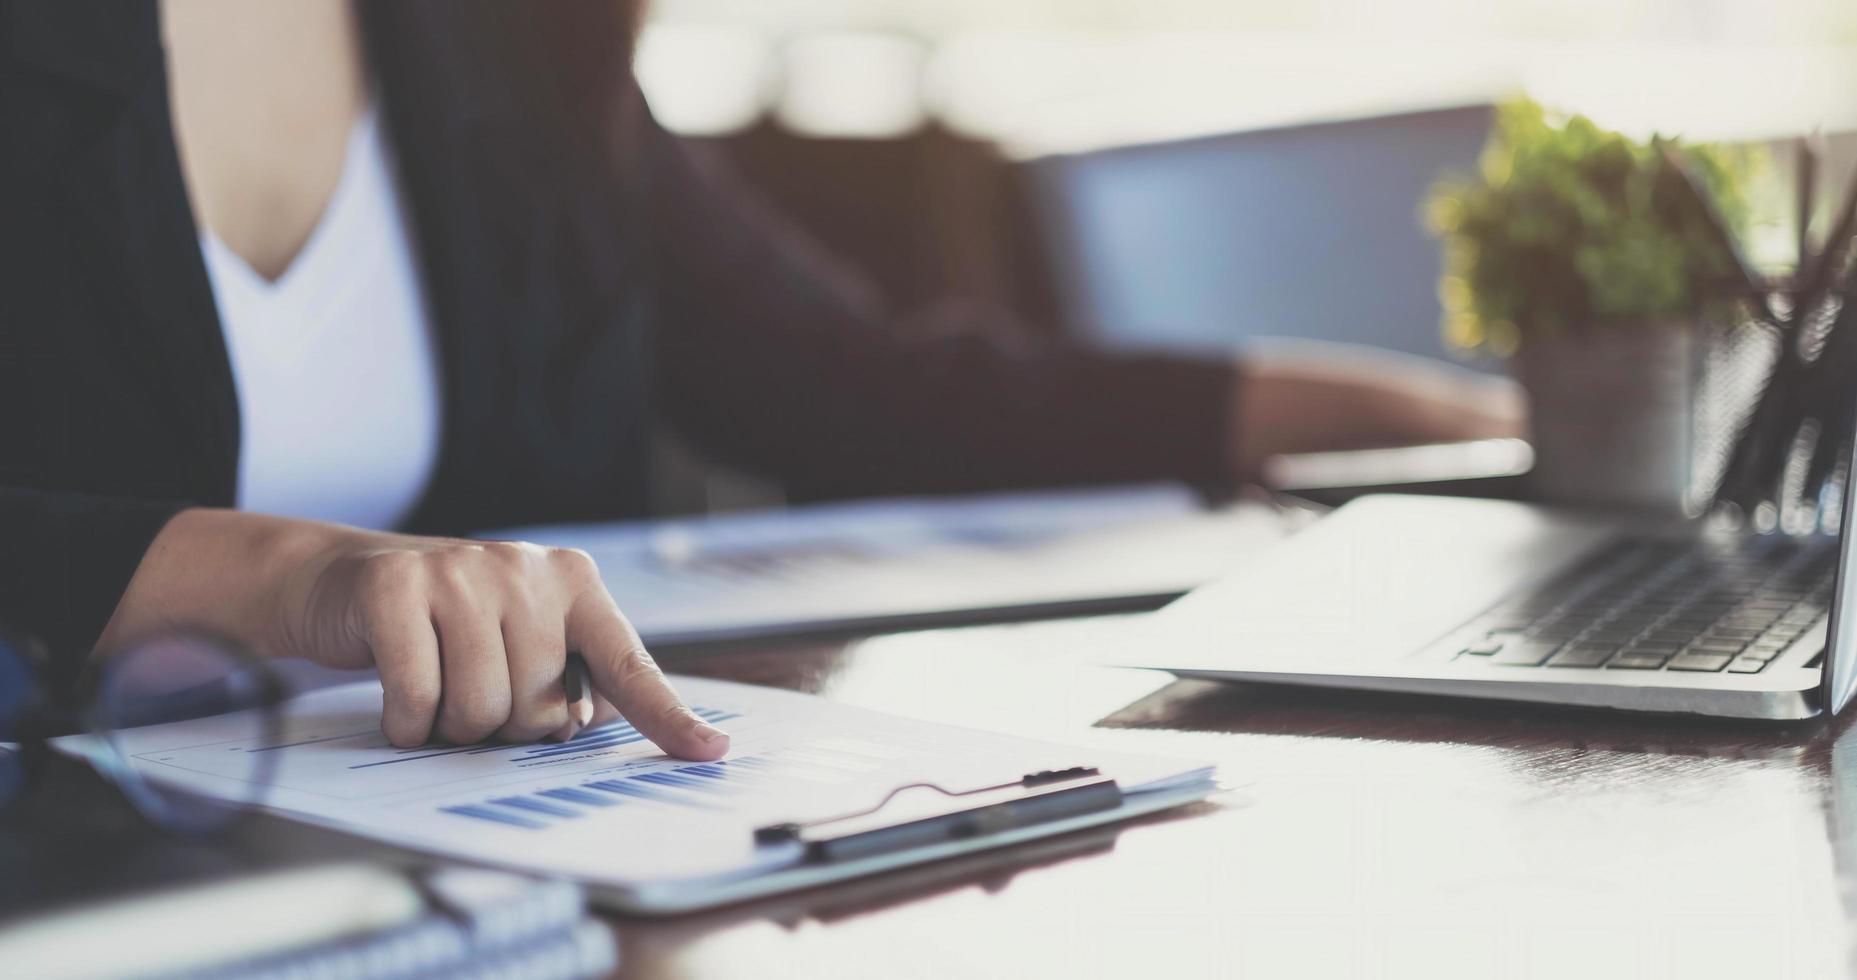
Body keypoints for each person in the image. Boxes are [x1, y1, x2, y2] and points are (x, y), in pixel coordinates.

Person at [0, 0, 1521, 759]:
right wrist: (263, 570)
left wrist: (1419, 418)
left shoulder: (511, 44)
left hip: (460, 865)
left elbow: (852, 385)